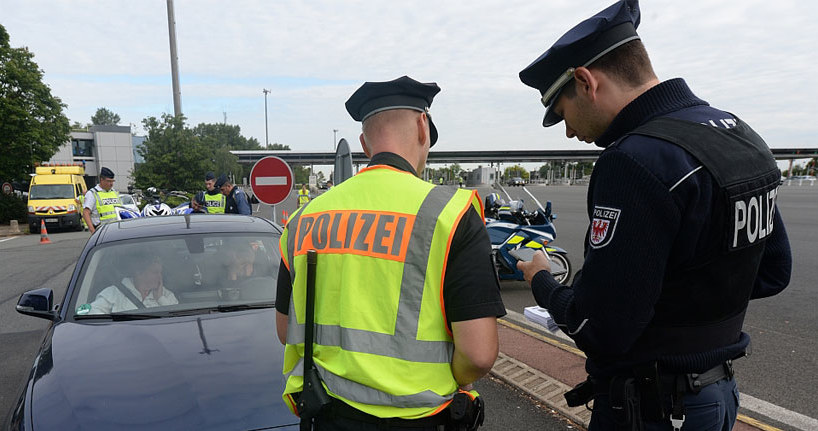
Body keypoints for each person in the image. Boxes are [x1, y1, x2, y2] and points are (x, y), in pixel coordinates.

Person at [516, 1, 792, 430]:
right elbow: (773, 271)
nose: (570, 131)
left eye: (562, 112)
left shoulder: (634, 160)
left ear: (586, 82)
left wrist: (542, 282)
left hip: (651, 406)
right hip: (717, 398)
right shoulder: (739, 133)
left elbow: (601, 328)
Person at [275, 76, 505, 430]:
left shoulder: (305, 219)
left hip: (326, 415)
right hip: (419, 420)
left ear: (365, 144)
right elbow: (478, 354)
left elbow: (285, 328)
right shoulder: (449, 214)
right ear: (422, 127)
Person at [88, 251, 178, 314]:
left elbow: (178, 319)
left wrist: (160, 299)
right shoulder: (114, 293)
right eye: (155, 272)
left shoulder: (166, 295)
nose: (160, 277)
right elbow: (93, 313)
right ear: (138, 272)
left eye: (160, 272)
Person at [82, 167, 121, 234]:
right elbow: (86, 213)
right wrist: (92, 231)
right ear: (101, 180)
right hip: (101, 230)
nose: (111, 184)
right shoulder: (92, 193)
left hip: (117, 228)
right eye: (109, 181)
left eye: (112, 181)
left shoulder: (114, 192)